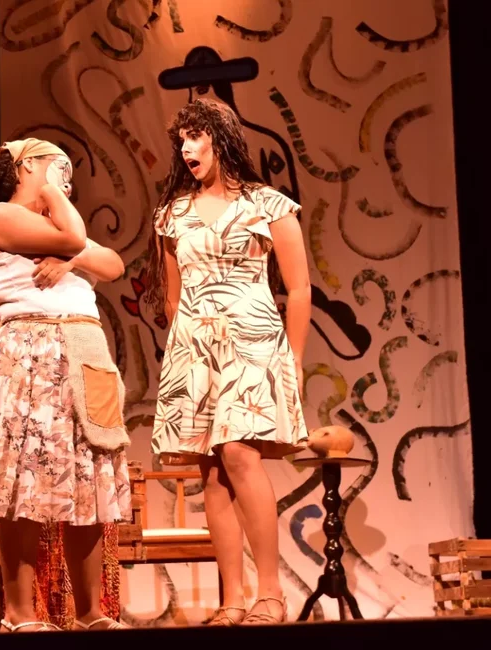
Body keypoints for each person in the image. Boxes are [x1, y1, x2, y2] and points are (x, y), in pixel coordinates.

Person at [146, 98, 311, 626]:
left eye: (196, 136)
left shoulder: (268, 206)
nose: (186, 148)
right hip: (196, 348)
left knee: (240, 454)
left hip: (252, 341)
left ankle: (271, 593)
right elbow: (172, 297)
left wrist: (295, 361)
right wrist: (187, 354)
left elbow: (300, 287)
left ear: (221, 137)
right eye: (181, 141)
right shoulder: (172, 215)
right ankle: (233, 598)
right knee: (212, 474)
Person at [0, 138, 132, 632]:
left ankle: (91, 613)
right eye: (58, 168)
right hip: (32, 353)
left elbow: (113, 263)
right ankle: (20, 613)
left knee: (88, 483)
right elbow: (77, 239)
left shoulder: (60, 230)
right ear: (25, 165)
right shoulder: (0, 216)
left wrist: (72, 259)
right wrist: (58, 205)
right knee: (23, 482)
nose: (66, 180)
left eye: (70, 176)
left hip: (83, 353)